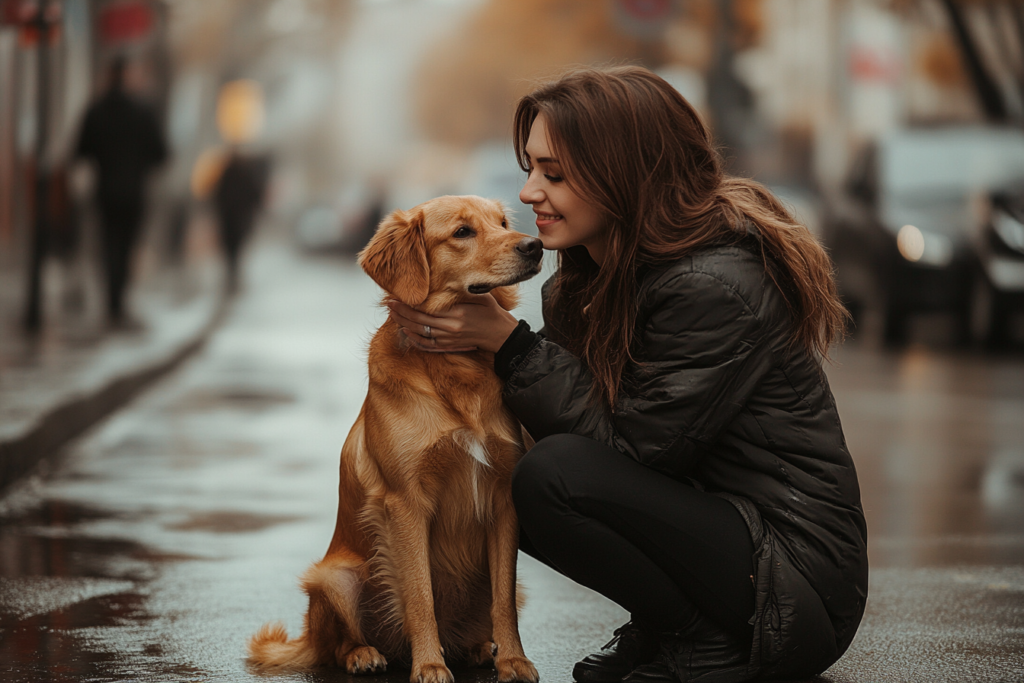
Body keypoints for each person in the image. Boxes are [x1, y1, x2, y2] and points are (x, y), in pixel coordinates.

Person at [386, 66, 868, 683]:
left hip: (794, 585)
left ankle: (702, 639)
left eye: (553, 174)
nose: (530, 193)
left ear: (624, 175)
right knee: (507, 467)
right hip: (730, 545)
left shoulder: (714, 283)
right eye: (529, 169)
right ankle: (671, 626)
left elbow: (632, 453)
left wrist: (510, 346)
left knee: (548, 474)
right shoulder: (590, 275)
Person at [75, 56, 168, 327]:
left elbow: (81, 149)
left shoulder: (96, 109)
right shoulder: (143, 111)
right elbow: (161, 153)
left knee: (108, 246)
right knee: (126, 247)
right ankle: (119, 304)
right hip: (134, 191)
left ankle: (110, 304)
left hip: (105, 190)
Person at [212, 150, 270, 292]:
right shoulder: (244, 174)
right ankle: (234, 274)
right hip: (240, 217)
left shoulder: (226, 174)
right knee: (236, 247)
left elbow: (217, 195)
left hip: (230, 217)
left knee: (231, 248)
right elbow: (255, 193)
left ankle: (233, 274)